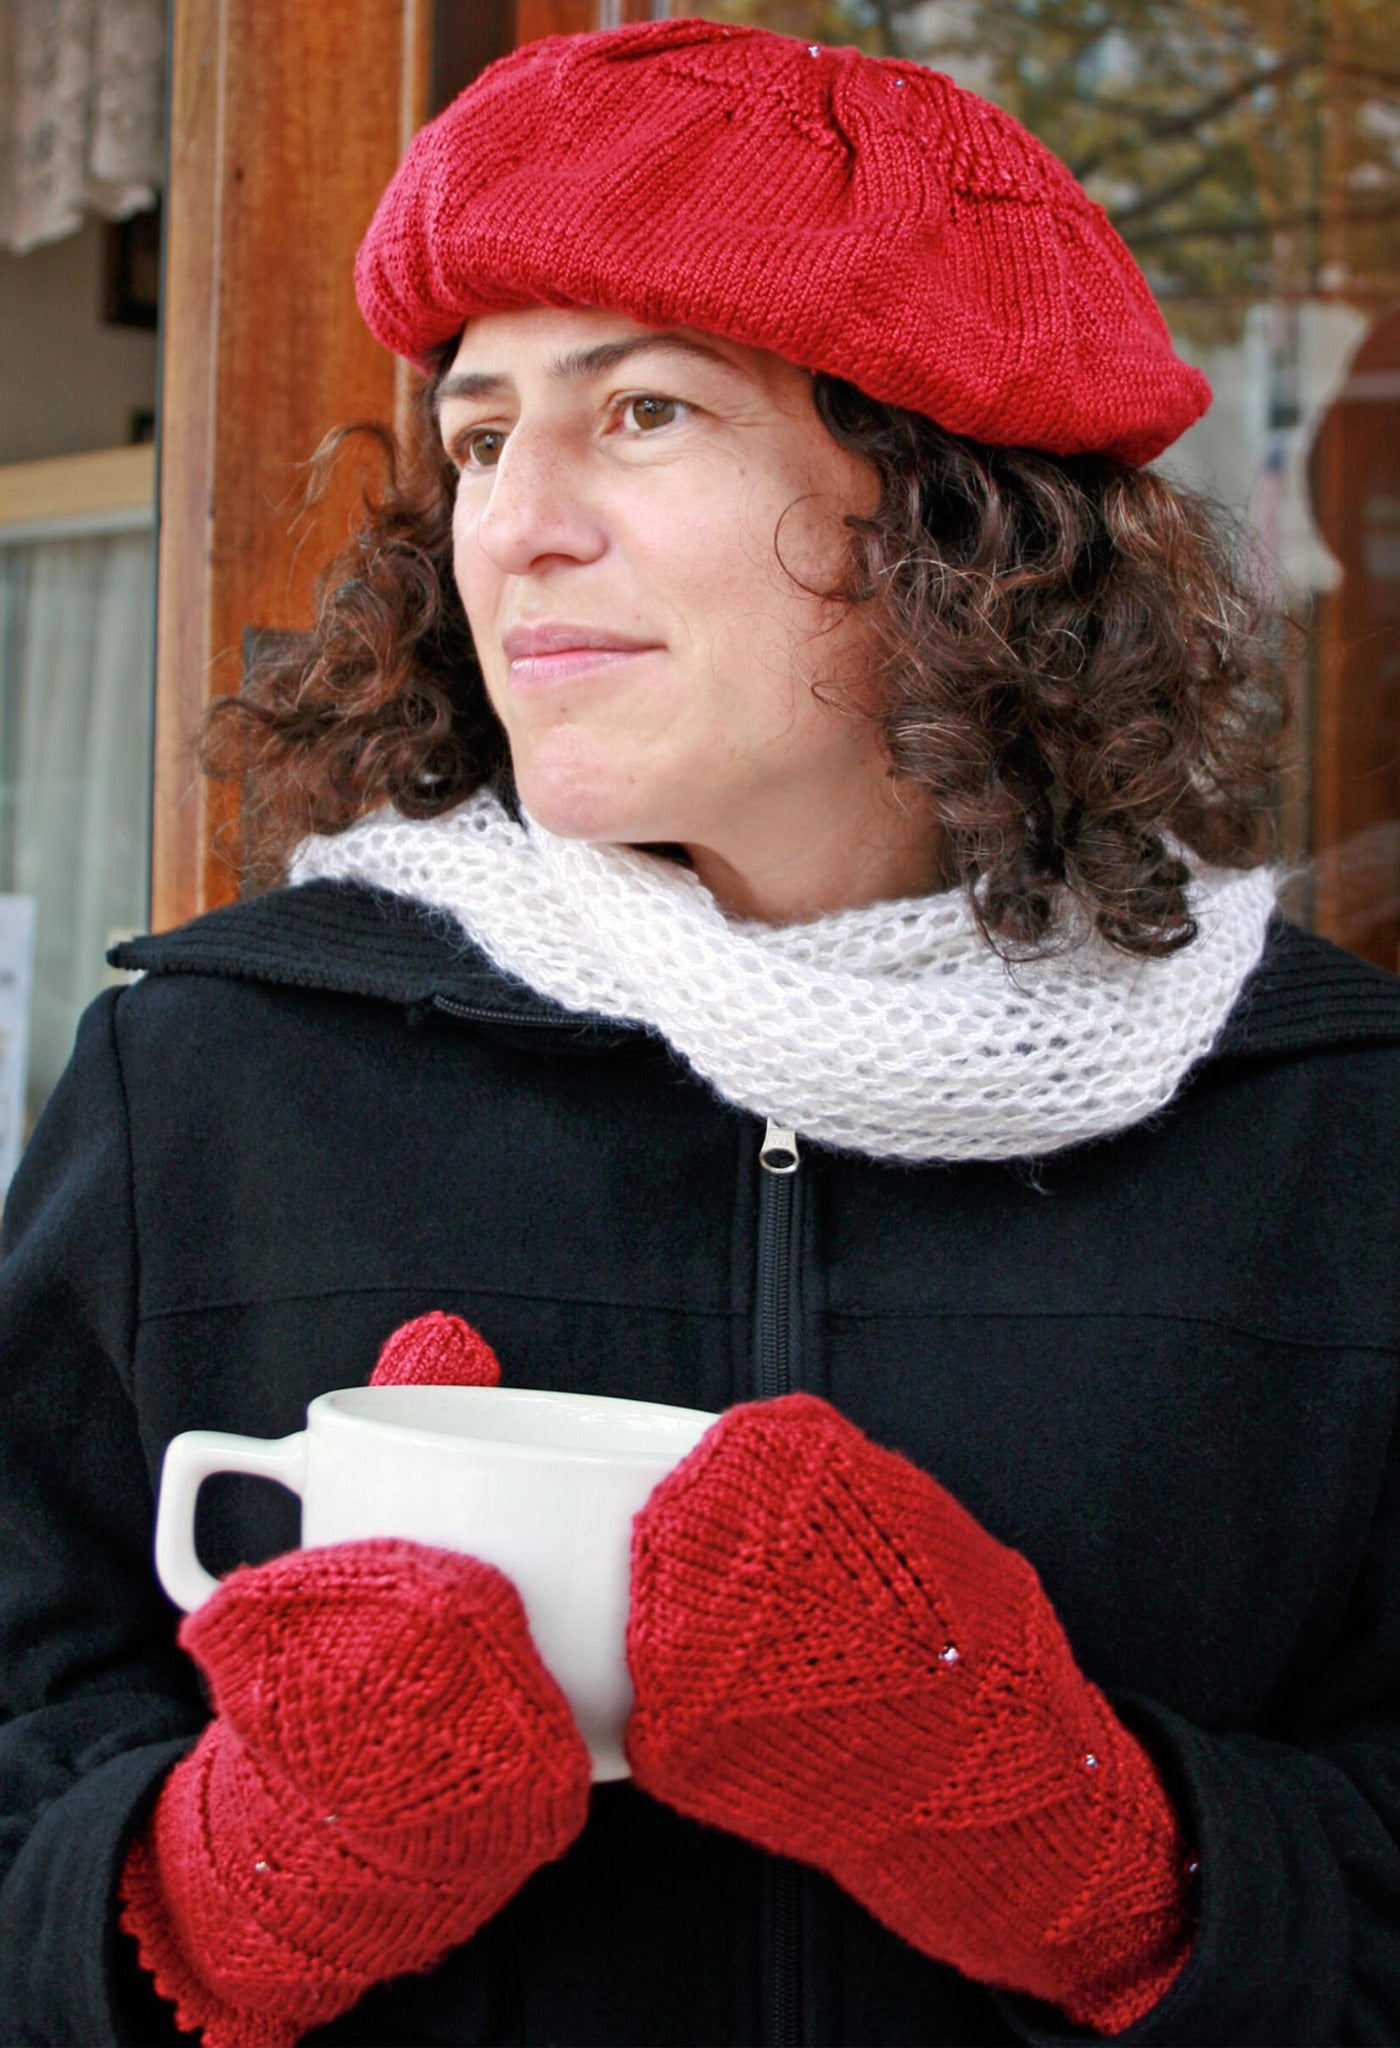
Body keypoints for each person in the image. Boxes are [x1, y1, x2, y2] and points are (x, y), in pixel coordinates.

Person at [2, 17, 1399, 2047]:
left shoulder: (1328, 1126)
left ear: (952, 508)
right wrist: (216, 1886)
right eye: (481, 436)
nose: (517, 524)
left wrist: (1114, 1867)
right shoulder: (218, 1079)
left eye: (643, 413)